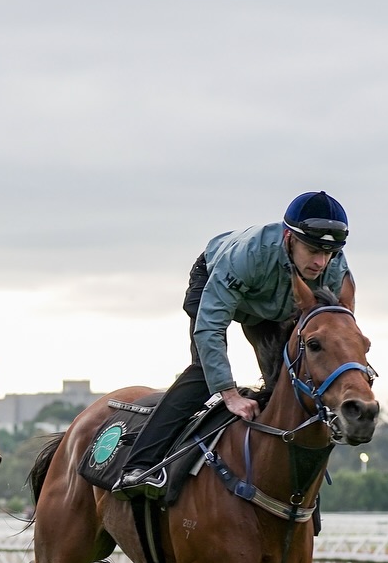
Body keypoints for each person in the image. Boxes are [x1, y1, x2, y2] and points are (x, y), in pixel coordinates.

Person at [113, 190, 354, 498]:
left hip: (271, 305)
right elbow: (209, 328)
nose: (321, 262)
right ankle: (138, 466)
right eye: (312, 250)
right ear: (289, 237)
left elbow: (331, 329)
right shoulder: (247, 256)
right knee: (205, 374)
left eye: (329, 253)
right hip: (213, 279)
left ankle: (297, 493)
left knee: (287, 385)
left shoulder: (334, 268)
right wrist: (228, 393)